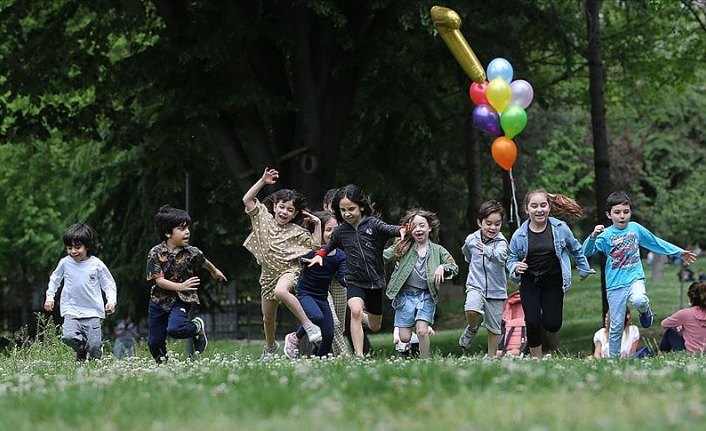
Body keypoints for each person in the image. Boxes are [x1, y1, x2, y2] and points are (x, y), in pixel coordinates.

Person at [583, 191, 697, 358]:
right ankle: (614, 362)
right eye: (617, 212)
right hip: (615, 284)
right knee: (615, 326)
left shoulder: (635, 229)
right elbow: (586, 251)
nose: (622, 216)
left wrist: (678, 252)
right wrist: (593, 236)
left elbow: (655, 242)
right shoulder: (605, 235)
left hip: (635, 277)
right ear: (609, 214)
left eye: (626, 212)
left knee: (639, 299)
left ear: (630, 212)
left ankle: (645, 312)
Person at [308, 184, 407, 357]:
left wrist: (402, 229)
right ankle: (359, 356)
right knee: (355, 311)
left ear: (361, 206)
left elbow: (391, 229)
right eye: (343, 210)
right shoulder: (341, 231)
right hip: (354, 279)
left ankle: (368, 318)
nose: (347, 213)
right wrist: (319, 255)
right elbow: (328, 246)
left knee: (375, 326)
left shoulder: (373, 224)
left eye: (351, 209)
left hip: (375, 281)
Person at [243, 167, 323, 359]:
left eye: (290, 210)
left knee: (281, 291)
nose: (284, 212)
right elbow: (247, 199)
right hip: (268, 275)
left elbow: (316, 246)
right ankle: (270, 348)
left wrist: (318, 224)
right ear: (274, 207)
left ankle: (308, 326)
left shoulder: (298, 232)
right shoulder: (262, 218)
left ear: (295, 214)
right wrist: (262, 181)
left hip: (289, 271)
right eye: (282, 207)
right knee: (268, 318)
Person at [506, 189, 595, 358]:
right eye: (534, 206)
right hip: (529, 282)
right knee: (532, 321)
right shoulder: (519, 235)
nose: (539, 210)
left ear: (549, 207)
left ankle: (544, 318)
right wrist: (515, 267)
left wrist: (584, 269)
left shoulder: (560, 228)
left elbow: (576, 248)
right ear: (527, 209)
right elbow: (511, 259)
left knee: (552, 324)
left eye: (543, 205)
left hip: (553, 281)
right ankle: (536, 358)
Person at [146, 205, 227, 363]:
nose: (187, 232)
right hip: (158, 300)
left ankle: (196, 327)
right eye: (182, 229)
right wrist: (180, 286)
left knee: (176, 329)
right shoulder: (155, 253)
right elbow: (159, 280)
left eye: (188, 228)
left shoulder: (192, 252)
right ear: (168, 233)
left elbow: (204, 262)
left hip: (181, 299)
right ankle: (164, 367)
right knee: (154, 342)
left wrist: (215, 271)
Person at [384, 209, 458, 358]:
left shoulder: (438, 250)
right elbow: (384, 256)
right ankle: (417, 331)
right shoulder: (403, 247)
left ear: (429, 228)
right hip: (405, 296)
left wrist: (442, 267)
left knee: (422, 331)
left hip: (426, 296)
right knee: (404, 337)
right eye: (414, 227)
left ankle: (425, 361)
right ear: (410, 229)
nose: (418, 229)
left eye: (422, 225)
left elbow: (454, 267)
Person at [44, 223, 117, 362]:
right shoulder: (65, 263)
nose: (73, 251)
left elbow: (108, 284)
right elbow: (55, 280)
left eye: (77, 247)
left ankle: (94, 365)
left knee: (94, 346)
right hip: (71, 310)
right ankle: (81, 350)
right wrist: (50, 298)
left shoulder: (96, 264)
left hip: (93, 312)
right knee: (68, 337)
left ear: (87, 246)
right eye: (69, 248)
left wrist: (111, 301)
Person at [283, 211, 345, 358]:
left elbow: (343, 278)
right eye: (328, 230)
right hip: (305, 294)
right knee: (316, 318)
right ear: (321, 231)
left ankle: (319, 359)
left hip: (322, 297)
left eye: (336, 230)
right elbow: (301, 255)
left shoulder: (340, 255)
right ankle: (294, 338)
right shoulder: (312, 251)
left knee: (329, 335)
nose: (332, 233)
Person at [458, 200, 509, 356]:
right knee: (471, 308)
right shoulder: (471, 239)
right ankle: (472, 327)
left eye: (497, 224)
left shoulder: (501, 241)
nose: (493, 228)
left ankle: (491, 357)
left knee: (494, 328)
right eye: (488, 223)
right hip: (476, 285)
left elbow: (501, 258)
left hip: (496, 290)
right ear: (480, 222)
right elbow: (467, 253)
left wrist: (487, 250)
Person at [659, 280, 706, 354]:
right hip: (703, 353)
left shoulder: (685, 313)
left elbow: (664, 324)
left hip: (689, 353)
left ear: (690, 297)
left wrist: (680, 326)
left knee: (670, 332)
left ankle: (661, 354)